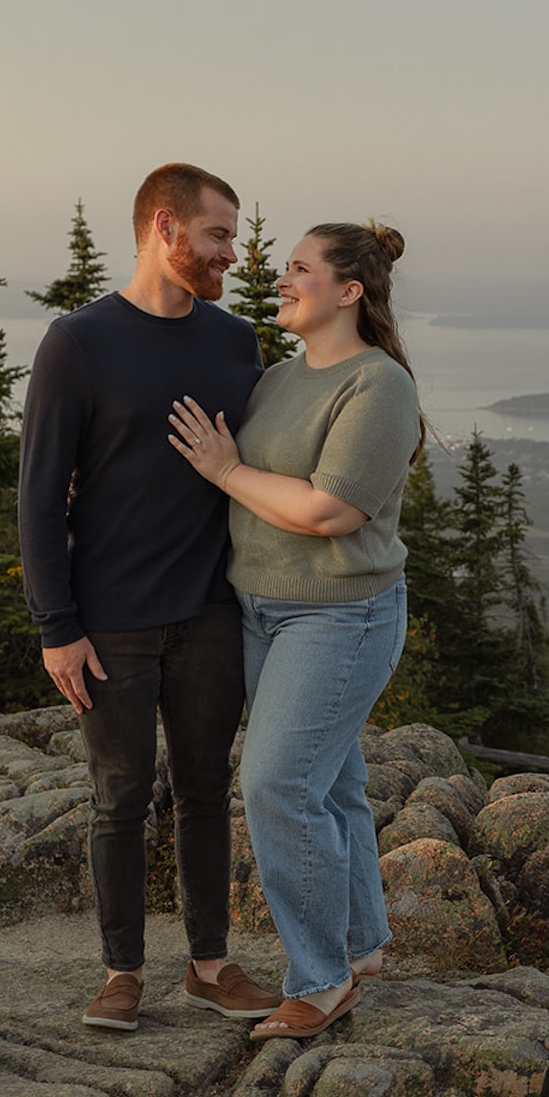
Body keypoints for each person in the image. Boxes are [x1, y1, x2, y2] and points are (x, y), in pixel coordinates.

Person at [18, 162, 278, 1032]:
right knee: (118, 797)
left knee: (206, 790)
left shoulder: (236, 341)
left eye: (233, 239)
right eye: (217, 237)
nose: (231, 255)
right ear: (165, 230)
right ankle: (121, 973)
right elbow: (37, 492)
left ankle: (209, 965)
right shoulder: (78, 343)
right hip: (111, 621)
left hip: (210, 610)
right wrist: (57, 626)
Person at [167, 220, 421, 1041]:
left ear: (349, 291)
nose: (281, 279)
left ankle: (320, 981)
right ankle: (360, 944)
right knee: (330, 782)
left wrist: (227, 471)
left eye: (299, 269)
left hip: (341, 614)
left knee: (275, 783)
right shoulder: (278, 378)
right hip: (260, 610)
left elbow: (328, 510)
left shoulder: (377, 385)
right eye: (284, 267)